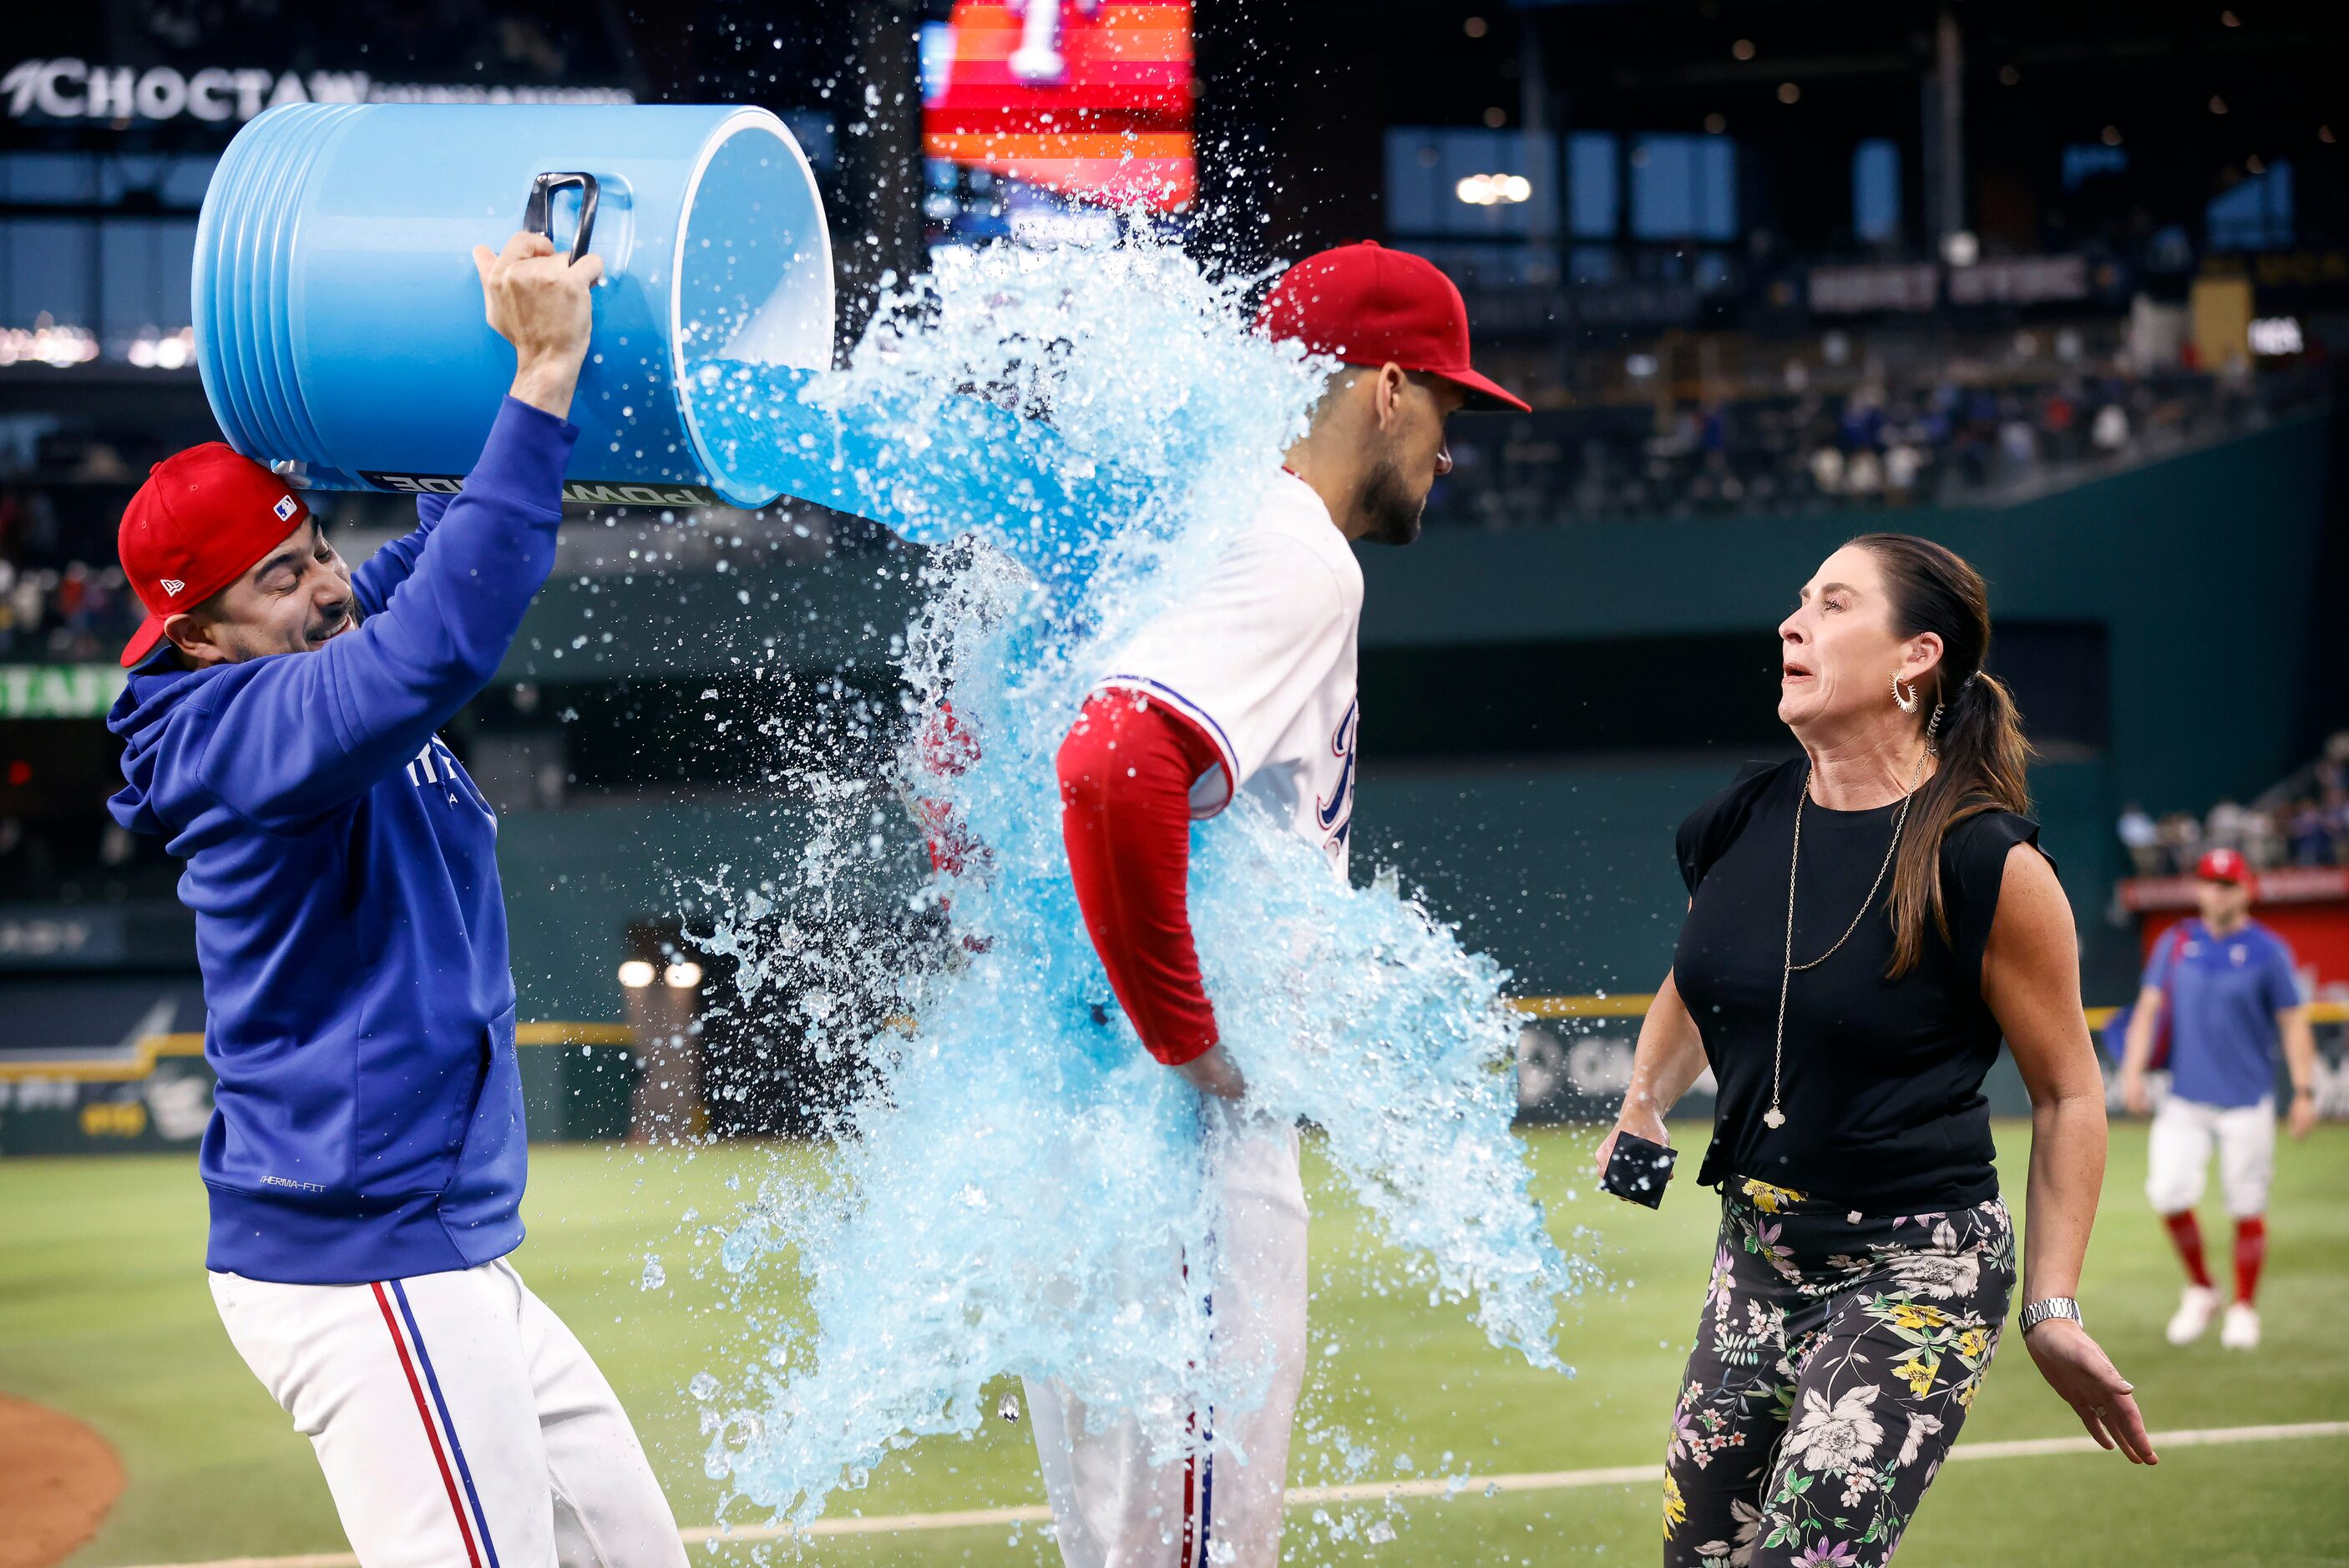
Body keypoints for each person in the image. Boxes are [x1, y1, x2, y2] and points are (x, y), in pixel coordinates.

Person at [106, 232, 687, 1567]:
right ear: (197, 632)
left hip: (440, 1253)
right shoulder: (243, 730)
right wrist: (539, 373)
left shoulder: (306, 646)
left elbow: (432, 551)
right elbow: (443, 635)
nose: (322, 586)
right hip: (362, 1265)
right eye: (277, 578)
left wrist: (482, 367)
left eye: (314, 549)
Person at [1032, 241, 1527, 1568]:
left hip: (1088, 1126)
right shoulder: (1297, 553)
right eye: (1445, 404)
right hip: (1181, 1144)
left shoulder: (1169, 528)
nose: (1447, 444)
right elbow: (1111, 764)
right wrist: (1188, 1042)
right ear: (1380, 388)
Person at [1598, 534, 2155, 1568]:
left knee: (1797, 1560)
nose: (1791, 622)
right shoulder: (1737, 818)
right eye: (1798, 599)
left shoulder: (1987, 862)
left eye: (1833, 604)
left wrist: (2050, 1306)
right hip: (1756, 1255)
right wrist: (1640, 1104)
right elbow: (1699, 976)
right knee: (1701, 1560)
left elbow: (2070, 1093)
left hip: (1917, 1266)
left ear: (1914, 658)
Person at [2119, 847, 2318, 1350]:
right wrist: (2132, 1069)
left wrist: (2305, 1091)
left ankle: (2244, 1307)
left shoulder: (2268, 950)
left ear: (2247, 889)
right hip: (2185, 1097)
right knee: (2167, 1192)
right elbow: (2148, 1008)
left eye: (2228, 884)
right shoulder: (2177, 941)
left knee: (2246, 1202)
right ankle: (2203, 1288)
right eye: (2210, 882)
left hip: (2247, 1099)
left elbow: (2294, 1022)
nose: (2217, 892)